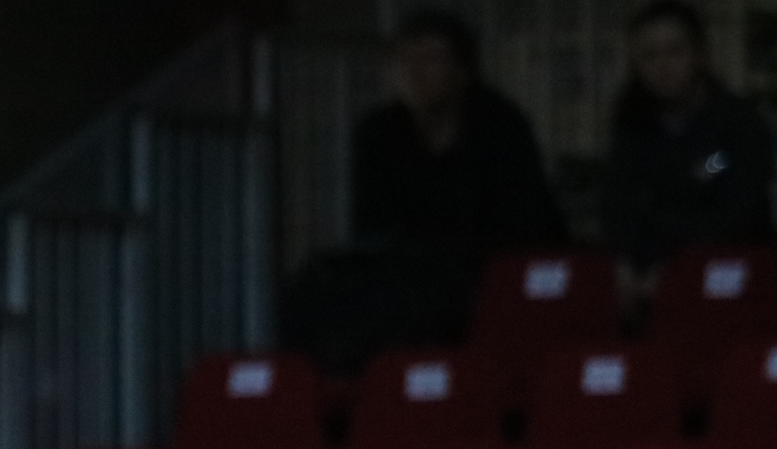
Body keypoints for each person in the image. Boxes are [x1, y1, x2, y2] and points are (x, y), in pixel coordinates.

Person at [284, 9, 567, 370]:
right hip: (411, 270)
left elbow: (522, 220)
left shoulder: (499, 125)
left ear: (463, 71)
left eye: (431, 60)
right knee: (313, 290)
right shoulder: (380, 131)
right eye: (404, 61)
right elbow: (374, 222)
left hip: (490, 266)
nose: (415, 73)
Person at [604, 0, 772, 295]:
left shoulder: (737, 126)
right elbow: (620, 207)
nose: (663, 66)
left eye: (675, 51)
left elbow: (738, 216)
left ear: (700, 54)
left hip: (728, 280)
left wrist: (674, 268)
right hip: (646, 283)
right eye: (649, 55)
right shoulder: (632, 125)